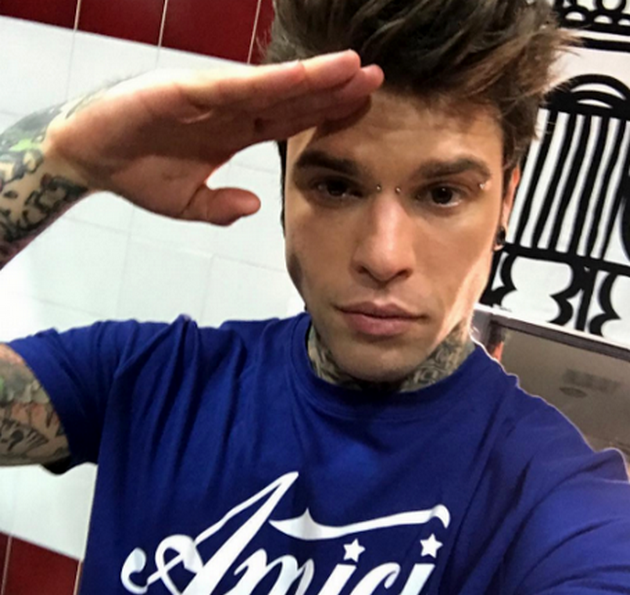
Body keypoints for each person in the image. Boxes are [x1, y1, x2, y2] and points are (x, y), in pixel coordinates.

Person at [1, 0, 629, 593]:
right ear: (285, 192)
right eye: (335, 187)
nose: (383, 256)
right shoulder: (156, 382)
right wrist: (62, 157)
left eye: (442, 194)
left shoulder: (556, 503)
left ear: (506, 200)